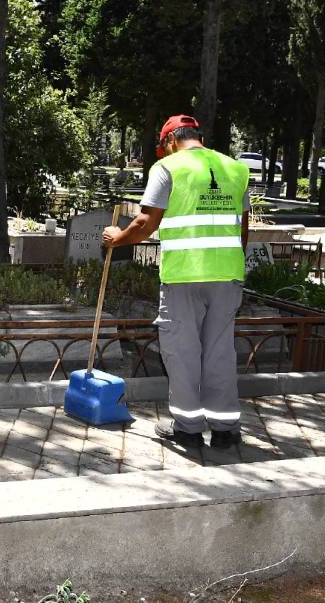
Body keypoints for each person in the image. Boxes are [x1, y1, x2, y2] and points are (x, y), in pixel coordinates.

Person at [101, 114, 250, 450]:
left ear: (170, 141)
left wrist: (117, 238)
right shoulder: (236, 168)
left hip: (184, 275)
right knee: (219, 352)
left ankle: (188, 429)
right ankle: (226, 430)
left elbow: (145, 222)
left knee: (182, 353)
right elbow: (242, 230)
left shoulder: (167, 168)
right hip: (228, 276)